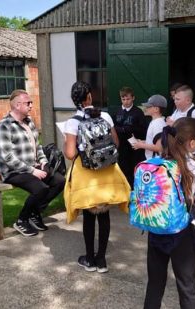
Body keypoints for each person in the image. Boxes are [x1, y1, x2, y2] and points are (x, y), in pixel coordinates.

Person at [63, 81, 131, 273]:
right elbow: (116, 142)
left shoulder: (72, 122)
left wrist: (67, 143)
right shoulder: (106, 116)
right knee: (104, 214)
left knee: (89, 217)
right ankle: (102, 260)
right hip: (108, 171)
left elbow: (69, 154)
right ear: (90, 96)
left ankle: (89, 259)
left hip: (86, 174)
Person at [143, 117, 195, 309]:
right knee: (186, 285)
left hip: (156, 227)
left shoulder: (158, 162)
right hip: (183, 232)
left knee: (154, 284)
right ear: (192, 143)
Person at [0, 89, 66, 237]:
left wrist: (44, 163)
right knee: (40, 189)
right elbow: (8, 157)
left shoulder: (29, 122)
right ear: (17, 105)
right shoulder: (4, 126)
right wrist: (32, 171)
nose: (31, 105)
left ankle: (34, 212)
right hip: (13, 171)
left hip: (33, 167)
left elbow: (38, 146)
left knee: (60, 180)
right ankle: (22, 220)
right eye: (28, 103)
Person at [114, 86, 147, 187]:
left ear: (133, 98)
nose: (126, 101)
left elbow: (142, 129)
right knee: (123, 166)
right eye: (123, 99)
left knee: (134, 166)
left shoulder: (138, 112)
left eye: (128, 99)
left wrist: (130, 129)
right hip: (121, 145)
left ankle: (134, 188)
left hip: (134, 146)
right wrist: (122, 129)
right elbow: (113, 127)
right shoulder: (117, 111)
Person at [132, 94, 167, 159]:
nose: (146, 108)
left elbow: (159, 148)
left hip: (156, 161)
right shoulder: (155, 121)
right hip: (153, 159)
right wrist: (143, 142)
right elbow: (154, 141)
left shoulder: (158, 123)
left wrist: (141, 145)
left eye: (149, 106)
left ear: (156, 109)